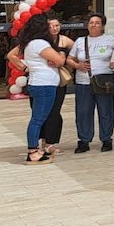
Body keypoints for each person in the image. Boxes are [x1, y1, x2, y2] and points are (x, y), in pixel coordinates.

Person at [16, 15, 65, 165]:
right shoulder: (39, 43)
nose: (51, 28)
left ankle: (34, 151)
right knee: (37, 120)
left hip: (39, 84)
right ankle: (32, 153)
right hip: (44, 85)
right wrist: (61, 54)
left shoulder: (31, 43)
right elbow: (60, 60)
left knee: (37, 118)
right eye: (48, 25)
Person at [69, 12, 114, 153]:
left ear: (103, 26)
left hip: (104, 82)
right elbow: (69, 59)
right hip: (83, 82)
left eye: (97, 23)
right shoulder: (80, 41)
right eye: (91, 23)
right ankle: (84, 140)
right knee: (83, 112)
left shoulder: (110, 39)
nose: (93, 25)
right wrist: (77, 65)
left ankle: (106, 139)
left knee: (106, 111)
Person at [39, 17, 75, 154]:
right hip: (43, 80)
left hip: (59, 80)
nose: (54, 28)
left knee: (55, 111)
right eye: (51, 26)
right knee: (42, 111)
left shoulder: (64, 40)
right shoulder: (40, 41)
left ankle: (51, 142)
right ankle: (43, 140)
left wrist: (69, 61)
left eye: (57, 25)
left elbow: (77, 51)